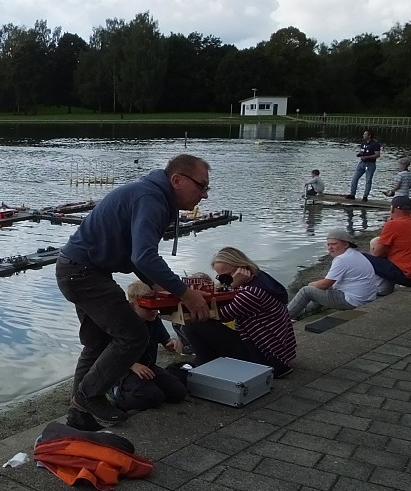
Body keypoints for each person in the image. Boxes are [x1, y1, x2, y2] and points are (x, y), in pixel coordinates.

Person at [57, 154, 211, 427]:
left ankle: (77, 415)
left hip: (78, 269)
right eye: (201, 186)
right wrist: (185, 293)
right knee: (133, 336)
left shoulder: (154, 197)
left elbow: (134, 254)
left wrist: (154, 284)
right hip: (83, 272)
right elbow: (144, 256)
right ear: (176, 180)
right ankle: (88, 397)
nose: (204, 194)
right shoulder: (150, 199)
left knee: (96, 343)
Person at [181, 248, 296, 378]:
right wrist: (229, 285)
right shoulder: (261, 278)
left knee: (193, 324)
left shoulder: (251, 293)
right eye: (220, 278)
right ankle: (207, 363)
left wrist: (230, 285)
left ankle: (206, 366)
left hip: (267, 359)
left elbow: (219, 315)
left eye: (226, 277)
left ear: (241, 269)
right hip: (278, 352)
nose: (224, 281)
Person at [109, 281, 186, 412]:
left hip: (148, 366)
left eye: (156, 306)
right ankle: (114, 394)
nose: (154, 311)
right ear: (133, 306)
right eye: (148, 307)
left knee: (178, 392)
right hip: (122, 370)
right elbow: (109, 352)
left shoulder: (154, 320)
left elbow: (166, 342)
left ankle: (147, 387)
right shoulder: (122, 323)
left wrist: (172, 344)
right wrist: (132, 365)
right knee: (152, 398)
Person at [287, 229, 377, 318]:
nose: (330, 248)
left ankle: (284, 317)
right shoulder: (356, 255)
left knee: (306, 291)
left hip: (353, 301)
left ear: (346, 244)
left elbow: (324, 285)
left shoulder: (342, 259)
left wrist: (311, 284)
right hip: (367, 298)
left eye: (334, 244)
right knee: (321, 289)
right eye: (328, 244)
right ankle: (306, 312)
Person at [367, 196, 411, 295]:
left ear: (393, 208)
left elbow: (378, 253)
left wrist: (389, 223)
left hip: (406, 276)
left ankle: (382, 289)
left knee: (363, 257)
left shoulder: (393, 224)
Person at [346, 130, 381, 200]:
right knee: (354, 179)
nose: (363, 135)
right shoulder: (363, 142)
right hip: (361, 163)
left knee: (368, 180)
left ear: (369, 136)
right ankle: (352, 194)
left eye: (365, 134)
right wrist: (359, 154)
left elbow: (377, 155)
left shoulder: (375, 144)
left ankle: (365, 196)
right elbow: (362, 151)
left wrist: (367, 157)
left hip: (370, 164)